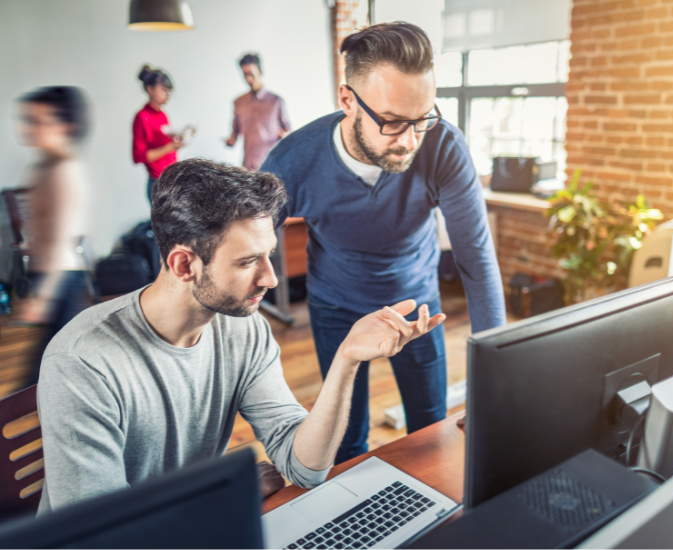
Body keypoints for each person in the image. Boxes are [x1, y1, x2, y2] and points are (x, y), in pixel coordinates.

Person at [36, 158, 444, 513]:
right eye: (249, 261)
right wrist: (220, 495)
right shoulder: (83, 362)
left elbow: (303, 465)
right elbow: (100, 536)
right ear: (184, 264)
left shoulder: (242, 328)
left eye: (269, 254)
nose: (271, 277)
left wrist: (347, 359)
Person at [260, 22, 506, 464]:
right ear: (347, 100)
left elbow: (476, 259)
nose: (410, 141)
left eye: (422, 119)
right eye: (392, 122)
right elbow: (247, 250)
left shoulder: (443, 146)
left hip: (418, 308)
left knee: (430, 433)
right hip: (336, 307)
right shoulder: (292, 160)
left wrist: (495, 380)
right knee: (347, 441)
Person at [15, 86, 91, 389]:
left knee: (45, 374)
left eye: (39, 121)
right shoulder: (46, 166)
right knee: (50, 371)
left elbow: (61, 241)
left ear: (66, 126)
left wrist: (44, 296)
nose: (29, 129)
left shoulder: (64, 170)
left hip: (62, 279)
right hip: (49, 275)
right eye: (28, 120)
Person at [226, 53, 292, 170]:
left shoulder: (276, 101)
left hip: (272, 166)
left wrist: (284, 136)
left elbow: (289, 132)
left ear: (260, 72)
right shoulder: (238, 103)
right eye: (245, 75)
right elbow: (234, 134)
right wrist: (230, 141)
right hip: (247, 168)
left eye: (251, 74)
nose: (248, 79)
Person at [132, 65, 185, 202]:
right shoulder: (142, 117)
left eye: (169, 92)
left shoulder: (162, 115)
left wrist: (177, 141)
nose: (167, 96)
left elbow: (165, 142)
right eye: (164, 91)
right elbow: (139, 156)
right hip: (158, 182)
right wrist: (170, 147)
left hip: (172, 179)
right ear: (150, 89)